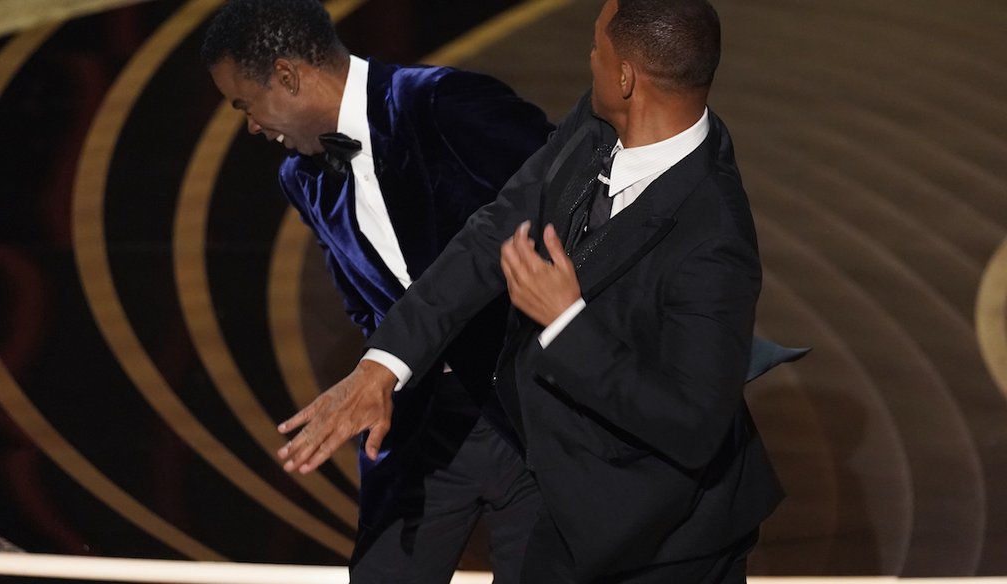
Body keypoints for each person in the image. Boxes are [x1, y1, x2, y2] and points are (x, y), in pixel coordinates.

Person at [276, 0, 796, 582]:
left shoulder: (713, 235)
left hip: (663, 541)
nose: (588, 57)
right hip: (560, 504)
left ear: (626, 77)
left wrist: (566, 321)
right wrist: (383, 366)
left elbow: (691, 424)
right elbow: (491, 233)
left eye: (597, 48)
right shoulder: (598, 124)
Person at [201, 1, 554, 582]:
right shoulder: (301, 177)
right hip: (420, 429)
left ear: (287, 76)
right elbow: (363, 302)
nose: (252, 126)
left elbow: (573, 211)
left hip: (530, 421)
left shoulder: (445, 101)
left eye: (246, 104)